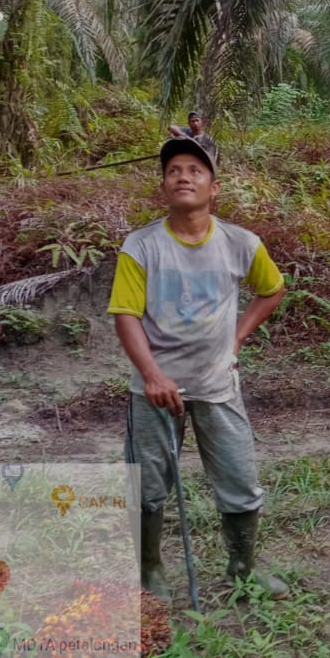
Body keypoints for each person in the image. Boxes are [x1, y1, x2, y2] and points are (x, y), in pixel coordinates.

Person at [108, 132, 290, 602]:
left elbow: (272, 290)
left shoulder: (240, 243)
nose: (183, 177)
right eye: (173, 171)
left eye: (195, 171)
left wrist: (235, 337)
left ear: (214, 188)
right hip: (153, 390)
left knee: (239, 480)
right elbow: (125, 315)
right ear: (163, 187)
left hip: (216, 384)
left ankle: (243, 569)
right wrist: (151, 374)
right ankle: (150, 573)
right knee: (148, 486)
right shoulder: (141, 246)